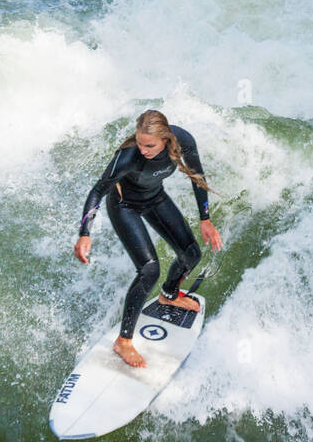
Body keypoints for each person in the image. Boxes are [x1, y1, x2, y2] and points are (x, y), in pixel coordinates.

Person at [75, 109, 222, 367]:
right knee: (149, 270)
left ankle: (169, 293)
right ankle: (124, 341)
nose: (143, 150)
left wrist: (205, 219)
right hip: (124, 206)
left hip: (155, 198)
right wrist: (84, 233)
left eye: (150, 145)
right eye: (140, 142)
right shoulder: (129, 156)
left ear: (165, 139)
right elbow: (98, 189)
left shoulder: (183, 141)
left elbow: (197, 178)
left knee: (191, 253)